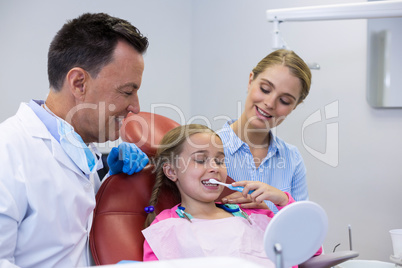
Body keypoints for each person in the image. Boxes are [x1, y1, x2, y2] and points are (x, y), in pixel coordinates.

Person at [0, 13, 149, 267]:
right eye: (127, 91)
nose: (135, 107)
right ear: (79, 83)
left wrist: (108, 185)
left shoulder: (80, 152)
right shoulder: (10, 152)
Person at [141, 124, 309, 267]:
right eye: (200, 160)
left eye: (220, 161)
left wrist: (284, 201)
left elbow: (307, 249)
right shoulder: (165, 227)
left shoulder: (252, 213)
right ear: (171, 171)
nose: (215, 167)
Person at [218, 49, 312, 213]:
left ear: (295, 106)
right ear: (250, 81)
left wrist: (282, 201)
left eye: (284, 100)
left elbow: (304, 230)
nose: (270, 103)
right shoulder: (205, 149)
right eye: (265, 89)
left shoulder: (292, 159)